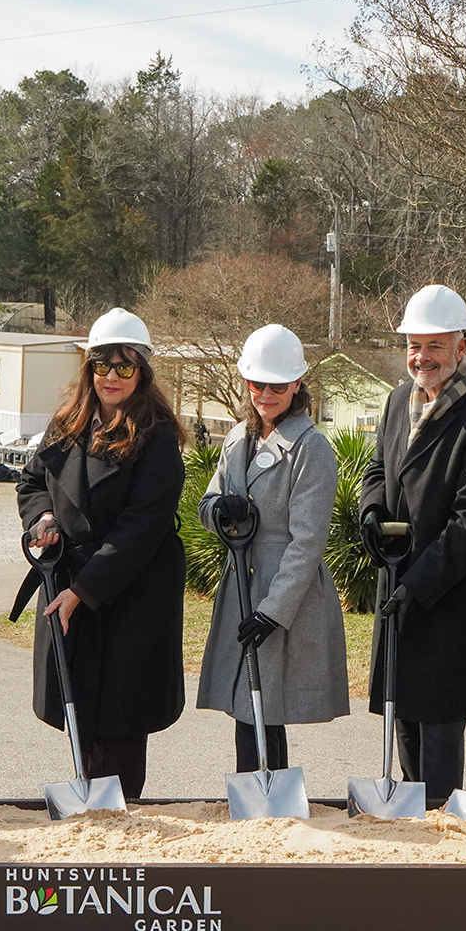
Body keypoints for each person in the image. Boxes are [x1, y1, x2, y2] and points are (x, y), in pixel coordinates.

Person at [14, 307, 188, 798]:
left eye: (124, 367)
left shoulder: (157, 437)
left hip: (131, 595)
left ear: (142, 372)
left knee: (119, 723)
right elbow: (32, 482)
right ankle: (87, 801)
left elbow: (142, 528)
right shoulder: (67, 423)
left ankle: (117, 812)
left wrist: (82, 591)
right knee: (79, 711)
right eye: (101, 365)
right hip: (70, 577)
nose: (111, 377)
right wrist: (43, 519)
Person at [359, 286, 466, 798]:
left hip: (449, 602)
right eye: (414, 345)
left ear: (461, 347)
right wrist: (370, 512)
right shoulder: (397, 401)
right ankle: (412, 817)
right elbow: (378, 468)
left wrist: (419, 584)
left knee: (439, 730)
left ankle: (441, 826)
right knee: (403, 717)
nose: (421, 357)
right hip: (399, 585)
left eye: (434, 346)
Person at [197, 324, 348, 770]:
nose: (265, 394)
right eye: (257, 383)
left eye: (277, 386)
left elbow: (308, 542)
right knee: (248, 707)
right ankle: (260, 792)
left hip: (283, 593)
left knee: (264, 707)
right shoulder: (236, 438)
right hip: (240, 583)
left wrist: (273, 611)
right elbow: (206, 504)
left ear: (297, 384)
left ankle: (268, 793)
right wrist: (220, 510)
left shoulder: (310, 447)